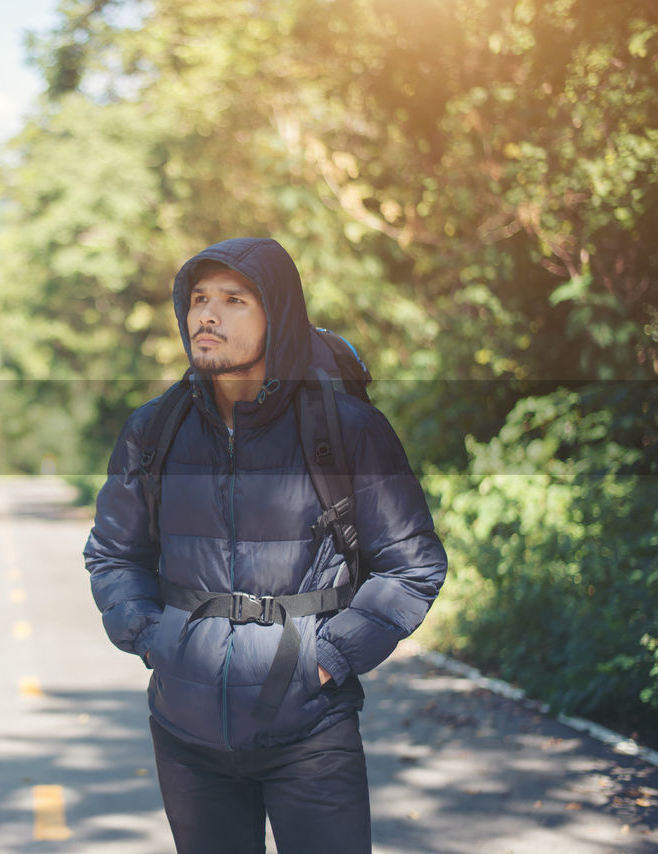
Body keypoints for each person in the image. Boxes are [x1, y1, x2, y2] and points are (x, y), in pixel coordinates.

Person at [83, 237, 447, 853]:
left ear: (276, 316)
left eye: (233, 300)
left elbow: (411, 565)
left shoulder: (347, 430)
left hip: (310, 732)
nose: (207, 315)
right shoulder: (154, 429)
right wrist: (152, 638)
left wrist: (329, 655)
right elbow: (114, 553)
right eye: (198, 299)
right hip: (185, 735)